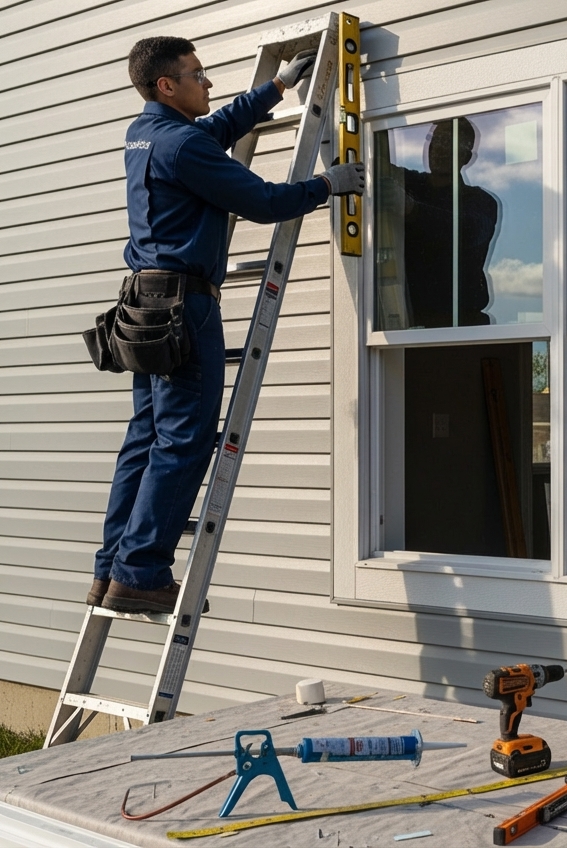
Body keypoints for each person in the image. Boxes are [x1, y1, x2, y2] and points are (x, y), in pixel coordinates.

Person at [87, 37, 365, 614]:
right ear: (168, 85)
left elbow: (212, 131)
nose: (207, 83)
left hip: (144, 306)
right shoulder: (182, 144)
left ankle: (111, 567)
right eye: (197, 74)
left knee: (144, 439)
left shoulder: (147, 135)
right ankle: (140, 575)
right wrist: (327, 186)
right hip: (182, 309)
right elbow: (262, 202)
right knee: (183, 441)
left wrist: (277, 88)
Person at [399, 116, 500, 328]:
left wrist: (412, 209)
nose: (439, 148)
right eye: (435, 139)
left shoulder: (481, 202)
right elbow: (370, 170)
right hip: (406, 324)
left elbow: (466, 231)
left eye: (450, 142)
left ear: (467, 157)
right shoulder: (412, 184)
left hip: (462, 327)